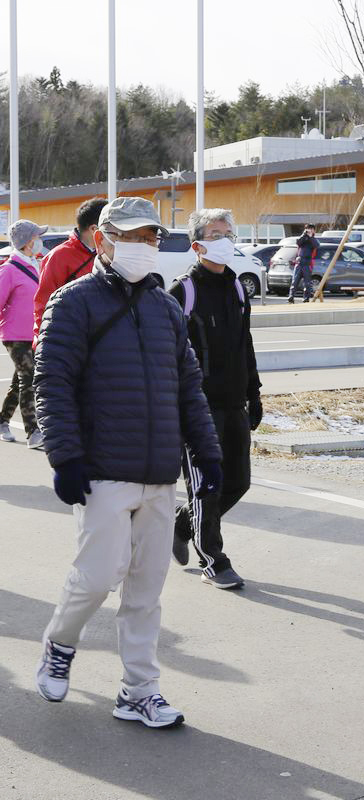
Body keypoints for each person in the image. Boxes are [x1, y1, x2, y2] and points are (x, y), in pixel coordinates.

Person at [32, 196, 222, 729]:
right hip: (100, 470)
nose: (144, 246)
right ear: (103, 240)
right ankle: (59, 644)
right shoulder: (73, 302)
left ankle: (139, 691)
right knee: (96, 578)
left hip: (159, 474)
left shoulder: (165, 309)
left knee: (146, 589)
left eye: (151, 237)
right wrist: (64, 456)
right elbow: (52, 384)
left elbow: (188, 387)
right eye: (132, 237)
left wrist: (206, 455)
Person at [167, 208, 263, 590]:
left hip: (233, 402)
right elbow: (167, 354)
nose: (223, 240)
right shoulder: (182, 292)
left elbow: (246, 344)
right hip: (196, 407)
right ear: (197, 244)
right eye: (214, 233)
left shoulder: (239, 289)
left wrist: (253, 393)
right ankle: (214, 560)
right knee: (207, 484)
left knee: (238, 482)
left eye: (228, 233)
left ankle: (180, 523)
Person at [0, 219, 48, 448]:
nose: (40, 240)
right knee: (29, 378)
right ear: (28, 241)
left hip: (33, 334)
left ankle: (2, 421)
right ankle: (33, 432)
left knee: (20, 381)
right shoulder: (9, 269)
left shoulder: (34, 264)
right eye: (37, 236)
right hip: (14, 335)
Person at [34, 196, 105, 338]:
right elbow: (43, 305)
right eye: (109, 227)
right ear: (94, 229)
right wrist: (45, 341)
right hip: (67, 339)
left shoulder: (109, 253)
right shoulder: (58, 256)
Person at [289, 223, 318, 303]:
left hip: (307, 263)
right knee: (294, 281)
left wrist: (311, 236)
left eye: (312, 229)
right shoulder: (303, 238)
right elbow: (298, 242)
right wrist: (304, 234)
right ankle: (291, 296)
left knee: (307, 283)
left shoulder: (313, 239)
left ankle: (306, 298)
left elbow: (316, 245)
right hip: (299, 262)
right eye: (309, 229)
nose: (310, 230)